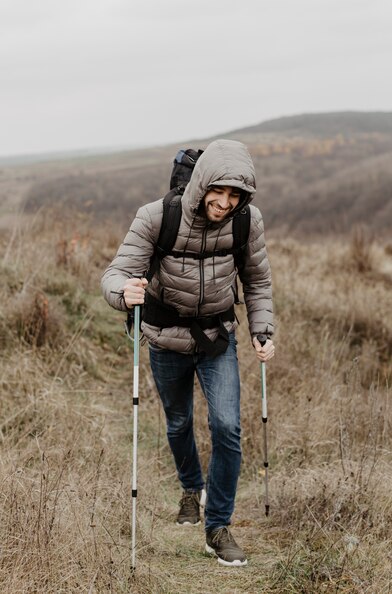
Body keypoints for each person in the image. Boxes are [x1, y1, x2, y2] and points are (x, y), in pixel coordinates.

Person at [101, 139, 274, 567]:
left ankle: (217, 527)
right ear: (202, 184)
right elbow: (116, 272)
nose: (225, 202)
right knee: (178, 422)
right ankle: (189, 489)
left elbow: (257, 280)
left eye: (236, 195)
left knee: (228, 427)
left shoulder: (246, 222)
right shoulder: (156, 217)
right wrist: (124, 292)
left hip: (218, 339)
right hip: (164, 338)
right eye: (220, 191)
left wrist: (262, 328)